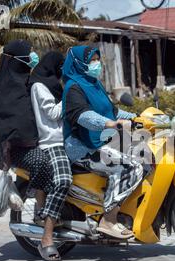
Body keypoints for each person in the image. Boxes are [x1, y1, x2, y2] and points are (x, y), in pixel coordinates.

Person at [62, 45, 143, 239]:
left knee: (144, 155)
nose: (96, 64)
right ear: (79, 63)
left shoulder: (94, 84)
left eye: (97, 60)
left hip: (102, 141)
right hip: (83, 148)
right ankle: (109, 220)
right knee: (130, 168)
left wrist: (137, 118)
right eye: (91, 60)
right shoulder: (73, 87)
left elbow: (112, 111)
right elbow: (83, 116)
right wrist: (111, 124)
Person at [0, 40, 59, 261]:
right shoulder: (6, 88)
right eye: (28, 54)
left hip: (38, 141)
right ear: (16, 58)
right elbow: (8, 124)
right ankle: (41, 208)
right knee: (41, 162)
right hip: (19, 149)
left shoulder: (28, 81)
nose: (33, 56)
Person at [28, 51, 73, 254]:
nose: (62, 70)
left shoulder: (52, 85)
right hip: (51, 142)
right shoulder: (39, 86)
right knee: (63, 180)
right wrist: (70, 95)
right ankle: (47, 237)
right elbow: (53, 113)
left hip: (64, 140)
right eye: (60, 66)